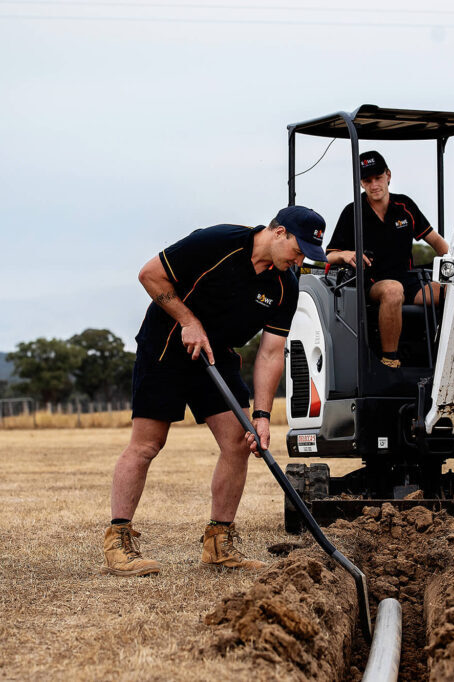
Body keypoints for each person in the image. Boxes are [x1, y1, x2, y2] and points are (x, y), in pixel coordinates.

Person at [103, 206, 327, 577]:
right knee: (147, 444)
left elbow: (271, 354)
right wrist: (189, 321)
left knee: (240, 441)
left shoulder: (286, 284)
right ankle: (119, 541)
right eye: (298, 249)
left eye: (306, 255)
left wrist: (263, 416)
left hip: (216, 356)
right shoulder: (219, 241)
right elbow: (150, 275)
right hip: (167, 344)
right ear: (279, 232)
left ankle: (218, 543)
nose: (299, 259)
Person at [325, 150, 450, 368]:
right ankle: (390, 360)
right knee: (393, 290)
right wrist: (345, 255)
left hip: (409, 281)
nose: (374, 185)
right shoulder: (352, 212)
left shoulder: (405, 207)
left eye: (378, 178)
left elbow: (440, 245)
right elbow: (329, 254)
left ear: (388, 176)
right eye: (368, 180)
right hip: (372, 284)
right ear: (361, 183)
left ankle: (448, 359)